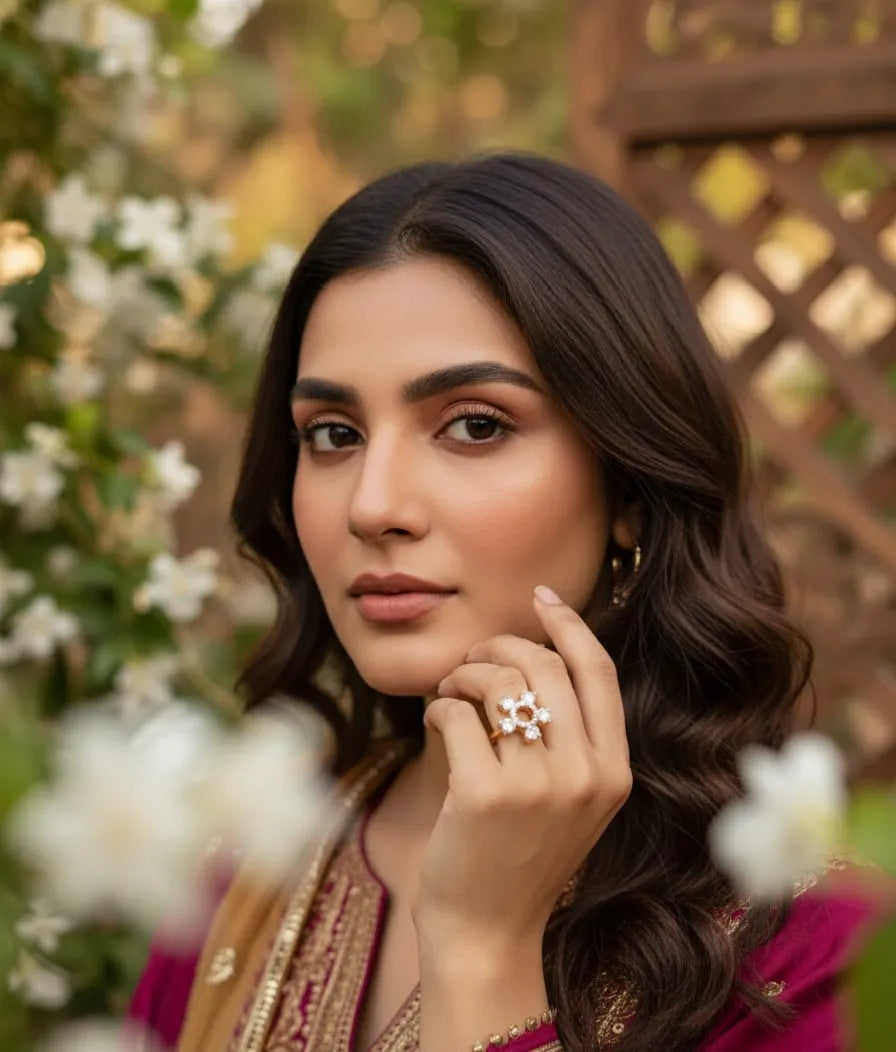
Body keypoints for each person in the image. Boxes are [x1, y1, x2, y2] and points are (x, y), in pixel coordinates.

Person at [127, 153, 882, 1052]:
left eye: (475, 425)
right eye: (332, 434)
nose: (373, 505)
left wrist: (481, 949)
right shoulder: (252, 865)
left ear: (631, 488)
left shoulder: (816, 956)